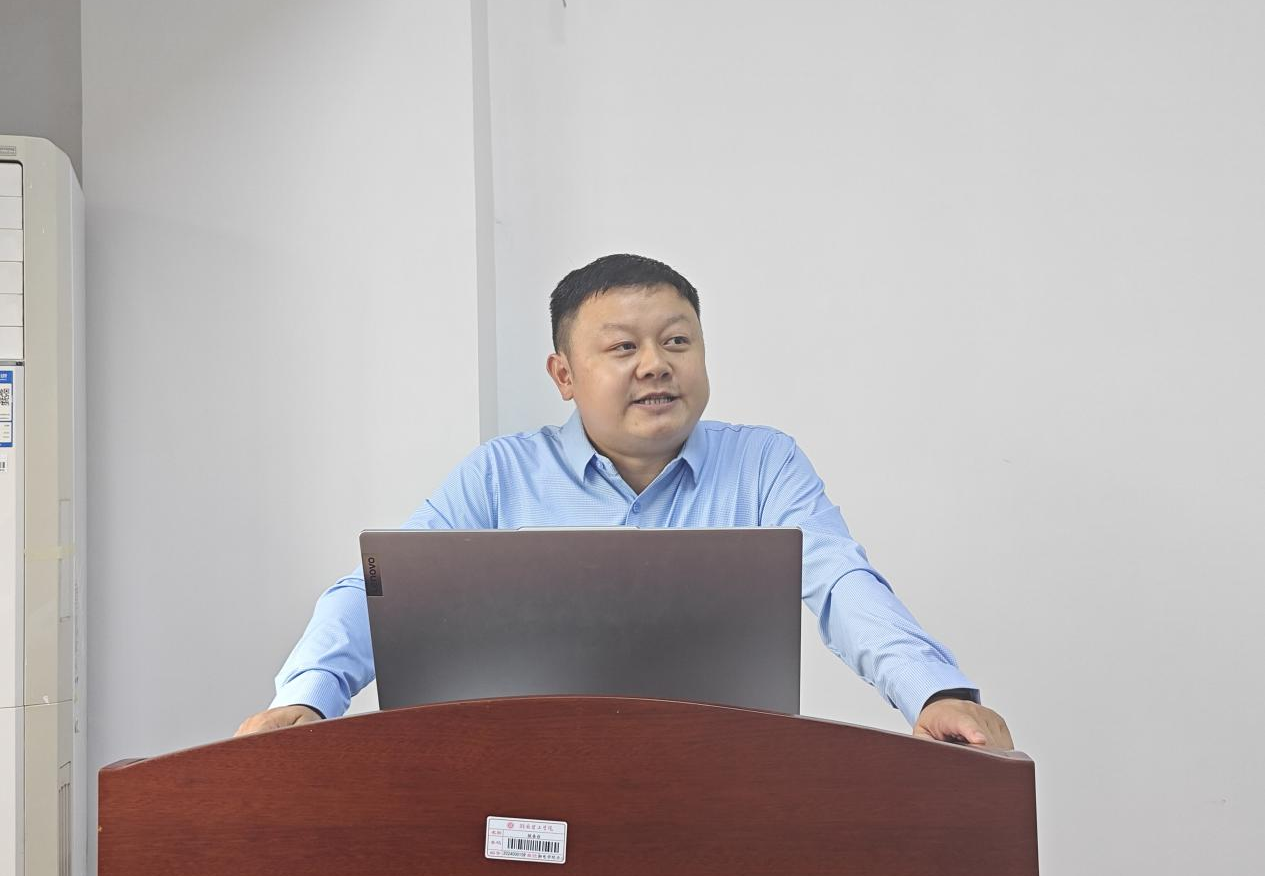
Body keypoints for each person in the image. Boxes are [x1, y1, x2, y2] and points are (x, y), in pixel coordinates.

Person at [237, 254, 1013, 748]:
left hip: (717, 781)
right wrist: (308, 700)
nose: (655, 365)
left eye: (677, 341)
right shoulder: (501, 474)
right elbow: (379, 591)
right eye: (622, 347)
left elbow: (841, 580)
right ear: (564, 375)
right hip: (527, 784)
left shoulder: (763, 462)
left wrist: (934, 690)